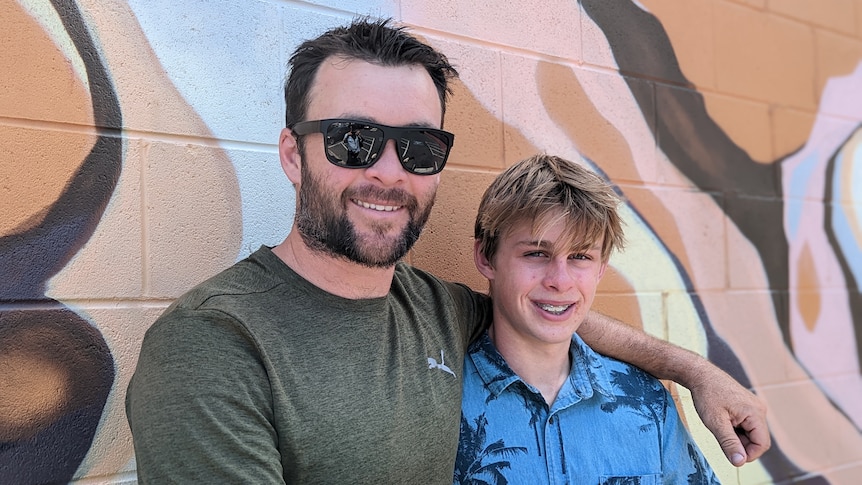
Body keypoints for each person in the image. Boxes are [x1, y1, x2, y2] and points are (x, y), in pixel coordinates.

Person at [125, 17, 769, 484]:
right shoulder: (212, 343)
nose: (388, 172)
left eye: (418, 148)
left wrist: (698, 374)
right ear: (295, 154)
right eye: (355, 140)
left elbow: (549, 310)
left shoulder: (433, 309)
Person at [456, 154, 719, 483]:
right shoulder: (442, 401)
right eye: (536, 253)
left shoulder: (646, 401)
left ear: (601, 268)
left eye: (580, 256)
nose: (560, 280)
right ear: (485, 258)